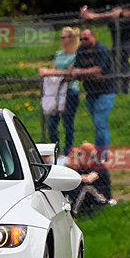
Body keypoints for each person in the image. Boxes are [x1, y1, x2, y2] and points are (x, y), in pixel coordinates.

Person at [80, 0, 130, 94]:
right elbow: (97, 19)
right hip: (115, 35)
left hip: (129, 32)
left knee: (122, 57)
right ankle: (118, 86)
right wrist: (87, 15)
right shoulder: (101, 0)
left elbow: (115, 14)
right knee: (115, 57)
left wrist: (96, 16)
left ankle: (125, 89)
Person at [38, 26, 81, 164]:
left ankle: (68, 151)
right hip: (56, 91)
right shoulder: (58, 54)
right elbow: (54, 69)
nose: (61, 40)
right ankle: (56, 149)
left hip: (69, 91)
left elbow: (69, 72)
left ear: (71, 39)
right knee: (52, 122)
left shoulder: (75, 55)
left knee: (68, 122)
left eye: (63, 37)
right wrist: (52, 72)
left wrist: (51, 72)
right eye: (60, 37)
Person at [69, 29, 116, 154]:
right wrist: (83, 72)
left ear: (93, 37)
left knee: (100, 122)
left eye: (86, 38)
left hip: (105, 91)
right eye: (81, 39)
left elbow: (98, 70)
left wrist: (81, 72)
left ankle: (103, 153)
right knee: (97, 124)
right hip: (91, 92)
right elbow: (76, 69)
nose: (83, 41)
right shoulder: (81, 50)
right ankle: (99, 151)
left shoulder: (101, 49)